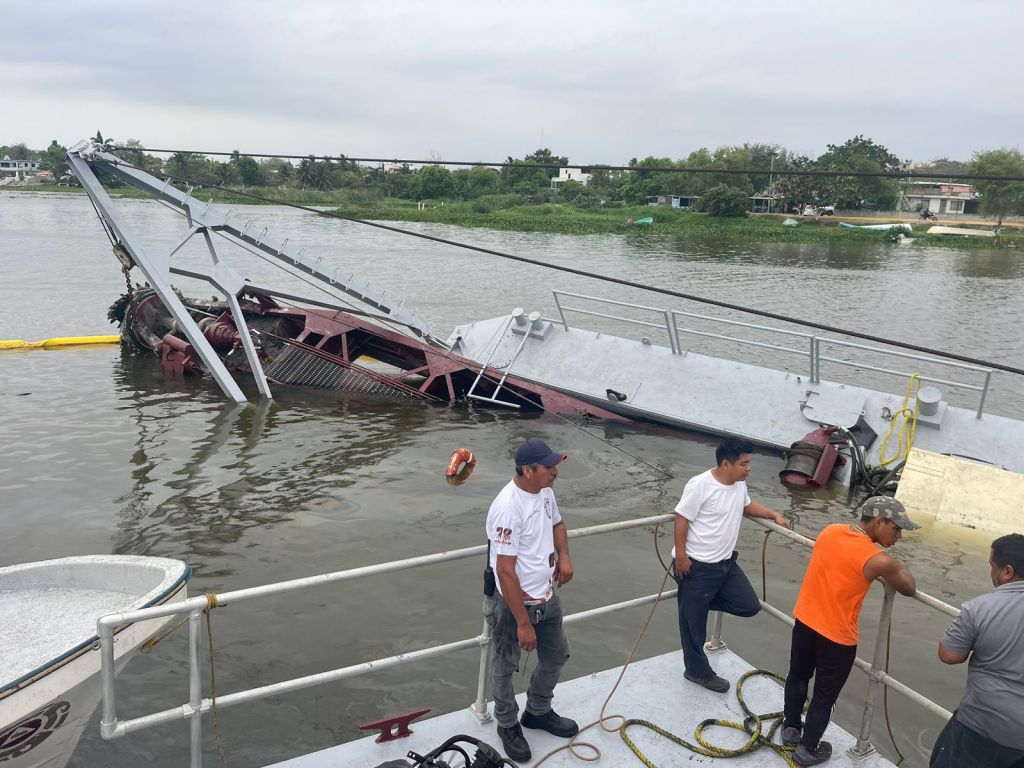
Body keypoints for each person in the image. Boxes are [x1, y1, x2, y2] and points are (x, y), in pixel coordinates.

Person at [782, 497, 918, 767]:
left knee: (798, 674)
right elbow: (909, 588)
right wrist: (900, 566)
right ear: (879, 522)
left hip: (805, 622)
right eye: (896, 528)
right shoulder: (878, 559)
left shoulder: (830, 530)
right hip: (837, 638)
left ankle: (790, 729)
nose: (899, 536)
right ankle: (808, 750)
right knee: (824, 696)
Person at [485, 438, 578, 763]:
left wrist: (564, 556)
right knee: (505, 664)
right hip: (514, 604)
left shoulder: (545, 494)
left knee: (557, 656)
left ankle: (537, 710)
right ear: (528, 470)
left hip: (546, 595)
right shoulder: (508, 508)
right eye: (549, 466)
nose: (555, 471)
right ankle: (508, 723)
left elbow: (558, 524)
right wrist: (523, 623)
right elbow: (505, 570)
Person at [673, 438, 789, 694]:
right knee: (693, 627)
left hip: (725, 563)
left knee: (749, 605)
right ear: (726, 464)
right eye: (744, 463)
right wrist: (681, 557)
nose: (749, 468)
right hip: (697, 565)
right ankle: (697, 671)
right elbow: (681, 518)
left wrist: (773, 515)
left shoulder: (738, 484)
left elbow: (746, 506)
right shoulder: (700, 485)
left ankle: (693, 602)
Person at [930, 533, 1024, 768]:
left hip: (984, 723)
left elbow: (949, 655)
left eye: (992, 566)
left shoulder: (979, 608)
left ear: (1007, 572)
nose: (991, 573)